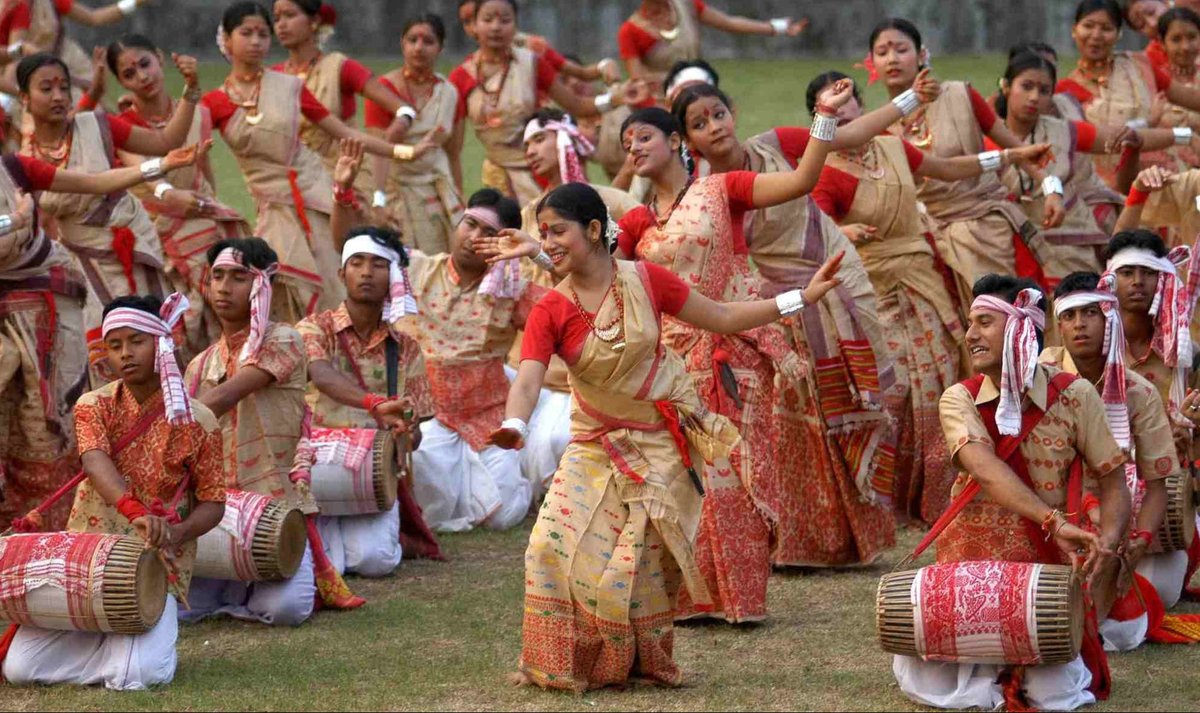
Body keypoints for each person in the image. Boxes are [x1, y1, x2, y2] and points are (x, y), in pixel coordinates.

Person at [484, 182, 844, 690]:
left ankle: (634, 663)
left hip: (659, 445)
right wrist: (515, 424)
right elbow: (528, 376)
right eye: (543, 234)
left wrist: (800, 298)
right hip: (594, 446)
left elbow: (720, 316)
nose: (549, 242)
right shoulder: (550, 307)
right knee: (547, 547)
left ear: (593, 230)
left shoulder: (646, 280)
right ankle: (559, 661)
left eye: (557, 231)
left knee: (635, 564)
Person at [615, 90, 889, 623]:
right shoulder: (633, 222)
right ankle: (683, 595)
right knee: (674, 470)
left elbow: (802, 181)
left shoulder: (722, 190)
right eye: (626, 145)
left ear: (675, 142)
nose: (634, 149)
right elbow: (608, 280)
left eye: (643, 136)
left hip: (731, 343)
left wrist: (825, 119)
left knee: (730, 468)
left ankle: (736, 598)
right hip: (668, 358)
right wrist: (540, 251)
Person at [670, 77, 918, 541]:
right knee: (802, 410)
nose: (715, 127)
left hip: (835, 266)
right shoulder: (707, 195)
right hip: (776, 299)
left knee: (867, 387)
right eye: (699, 124)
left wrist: (911, 98)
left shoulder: (778, 143)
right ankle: (812, 535)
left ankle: (868, 519)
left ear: (734, 112)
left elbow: (850, 137)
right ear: (687, 141)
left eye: (718, 114)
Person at [800, 71, 1049, 525]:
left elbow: (947, 170)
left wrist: (1009, 154)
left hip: (922, 283)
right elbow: (813, 230)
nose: (845, 106)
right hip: (873, 292)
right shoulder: (821, 171)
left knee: (941, 381)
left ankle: (937, 496)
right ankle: (886, 501)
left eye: (850, 97)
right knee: (896, 391)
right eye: (830, 103)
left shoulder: (894, 147)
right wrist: (844, 232)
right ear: (820, 118)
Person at [893, 275, 1129, 711]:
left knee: (1052, 692)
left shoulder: (1075, 396)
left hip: (1045, 588)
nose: (970, 335)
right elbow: (985, 469)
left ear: (1020, 329)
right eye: (970, 323)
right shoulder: (958, 398)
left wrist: (1107, 549)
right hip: (972, 577)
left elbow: (1114, 481)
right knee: (934, 679)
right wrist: (1054, 521)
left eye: (984, 322)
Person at [2, 292, 225, 690]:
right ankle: (113, 654)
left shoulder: (201, 420)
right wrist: (136, 511)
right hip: (88, 556)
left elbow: (214, 502)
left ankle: (121, 655)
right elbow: (95, 461)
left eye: (136, 341)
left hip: (156, 564)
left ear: (162, 341)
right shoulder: (94, 405)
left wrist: (176, 532)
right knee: (19, 669)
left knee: (139, 676)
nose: (125, 354)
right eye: (115, 344)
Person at [205, 2, 441, 323]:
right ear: (226, 40)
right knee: (283, 286)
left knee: (349, 271)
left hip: (335, 183)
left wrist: (405, 148)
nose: (262, 38)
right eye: (250, 32)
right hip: (277, 201)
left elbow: (348, 132)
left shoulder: (315, 75)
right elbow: (183, 150)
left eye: (265, 31)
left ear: (315, 22)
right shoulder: (224, 97)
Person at [184, 237, 360, 625]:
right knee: (182, 605)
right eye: (217, 276)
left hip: (276, 505)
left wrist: (169, 417)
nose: (224, 287)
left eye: (238, 277)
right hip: (218, 512)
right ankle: (235, 592)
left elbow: (227, 394)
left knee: (287, 609)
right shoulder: (199, 364)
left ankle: (241, 592)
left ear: (264, 286)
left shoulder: (283, 339)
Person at [16, 52, 203, 385]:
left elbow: (166, 142)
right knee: (105, 353)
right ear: (25, 99)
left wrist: (190, 90)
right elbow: (39, 222)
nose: (59, 96)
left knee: (153, 342)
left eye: (64, 86)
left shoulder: (95, 124)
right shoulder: (23, 161)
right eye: (47, 88)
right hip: (84, 259)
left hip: (132, 242)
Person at [868, 17, 1056, 298]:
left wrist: (1052, 189)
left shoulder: (959, 95)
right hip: (928, 239)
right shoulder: (877, 129)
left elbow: (1018, 150)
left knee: (1007, 315)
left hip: (986, 227)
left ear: (921, 55)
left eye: (901, 50)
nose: (892, 59)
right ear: (872, 62)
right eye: (882, 53)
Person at [1041, 271, 1177, 650]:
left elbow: (1156, 483)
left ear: (1110, 319)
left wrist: (1141, 540)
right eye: (1069, 316)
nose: (1079, 325)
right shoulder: (1037, 376)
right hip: (1045, 505)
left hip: (1107, 506)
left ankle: (1090, 618)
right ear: (1059, 325)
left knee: (1107, 532)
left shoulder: (1140, 393)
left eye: (1090, 313)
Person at [296, 225, 440, 573]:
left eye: (378, 264)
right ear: (342, 272)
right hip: (318, 467)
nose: (365, 272)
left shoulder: (405, 348)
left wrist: (407, 434)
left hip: (373, 474)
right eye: (357, 262)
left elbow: (416, 432)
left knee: (375, 561)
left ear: (393, 277)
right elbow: (321, 374)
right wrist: (374, 404)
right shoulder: (314, 328)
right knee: (329, 560)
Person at [513, 108, 637, 498]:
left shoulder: (614, 202)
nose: (530, 151)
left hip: (604, 353)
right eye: (525, 145)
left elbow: (615, 279)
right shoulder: (527, 213)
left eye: (538, 139)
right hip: (540, 356)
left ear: (564, 138)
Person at [400, 188, 536, 532]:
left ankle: (519, 470)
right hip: (433, 415)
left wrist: (538, 255)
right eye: (469, 224)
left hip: (489, 414)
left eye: (488, 233)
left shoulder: (512, 286)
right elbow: (358, 249)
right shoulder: (416, 269)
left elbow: (565, 314)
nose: (474, 237)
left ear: (503, 243)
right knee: (432, 510)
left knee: (503, 517)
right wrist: (344, 196)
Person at [106, 34, 251, 360]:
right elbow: (146, 173)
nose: (142, 76)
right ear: (121, 83)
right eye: (129, 74)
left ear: (159, 57)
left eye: (145, 64)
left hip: (202, 223)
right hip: (155, 233)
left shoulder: (197, 115)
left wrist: (207, 206)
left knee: (228, 290)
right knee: (180, 317)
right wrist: (170, 195)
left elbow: (205, 177)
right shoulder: (123, 127)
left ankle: (228, 369)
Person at [995, 50, 1183, 283]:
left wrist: (1183, 135)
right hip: (1007, 237)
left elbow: (1125, 138)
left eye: (1044, 91)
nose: (1034, 97)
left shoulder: (1063, 131)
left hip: (1068, 236)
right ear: (1005, 87)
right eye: (1026, 86)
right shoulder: (986, 136)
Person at [448, 0, 641, 206]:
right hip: (497, 174)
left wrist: (616, 99)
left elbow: (576, 105)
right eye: (487, 20)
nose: (496, 27)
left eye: (505, 20)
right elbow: (453, 150)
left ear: (515, 25)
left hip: (541, 168)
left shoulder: (532, 62)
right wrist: (457, 194)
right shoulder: (461, 78)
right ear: (474, 26)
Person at [1097, 227, 1198, 608]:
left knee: (1155, 597)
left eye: (1148, 273)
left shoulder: (1187, 351)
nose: (1138, 282)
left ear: (1163, 279)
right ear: (1111, 279)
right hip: (1103, 487)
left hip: (1169, 491)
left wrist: (1189, 430)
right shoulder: (1088, 344)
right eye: (1127, 273)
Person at [271, 0, 414, 197]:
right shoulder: (274, 77)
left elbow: (403, 108)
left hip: (346, 178)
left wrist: (403, 121)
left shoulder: (339, 67)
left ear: (314, 21)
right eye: (277, 18)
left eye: (289, 15)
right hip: (293, 182)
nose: (281, 24)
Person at [1057, 0, 1200, 185]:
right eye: (1088, 26)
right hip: (1113, 190)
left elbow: (1190, 99)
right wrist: (1155, 125)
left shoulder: (1139, 65)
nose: (1096, 35)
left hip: (1170, 176)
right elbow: (1103, 137)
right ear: (1074, 30)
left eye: (1106, 28)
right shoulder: (1065, 91)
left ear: (1118, 34)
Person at [363, 13, 463, 256]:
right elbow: (378, 150)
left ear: (440, 47)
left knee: (441, 260)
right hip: (395, 190)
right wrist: (379, 201)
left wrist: (461, 200)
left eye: (428, 41)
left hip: (437, 192)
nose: (419, 47)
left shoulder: (449, 93)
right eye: (412, 40)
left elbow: (453, 153)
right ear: (402, 43)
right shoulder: (384, 90)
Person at [0, 0, 153, 97]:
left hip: (64, 64)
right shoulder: (12, 8)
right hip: (20, 80)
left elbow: (94, 17)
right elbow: (15, 56)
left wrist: (135, 2)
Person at [1149, 8, 1200, 170]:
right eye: (1176, 39)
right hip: (1166, 176)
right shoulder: (1151, 84)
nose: (1185, 47)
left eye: (1192, 37)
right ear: (1162, 44)